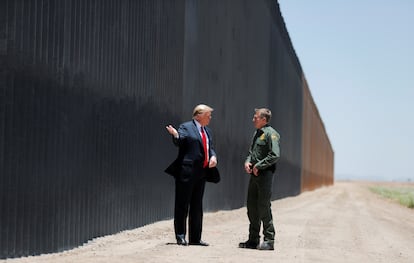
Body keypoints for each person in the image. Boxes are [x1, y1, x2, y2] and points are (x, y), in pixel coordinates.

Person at [165, 104, 218, 246]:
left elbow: (210, 148)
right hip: (187, 172)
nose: (210, 118)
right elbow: (180, 140)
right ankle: (180, 235)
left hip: (202, 173)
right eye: (208, 115)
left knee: (197, 206)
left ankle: (195, 238)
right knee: (182, 204)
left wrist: (213, 157)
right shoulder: (186, 127)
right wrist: (175, 134)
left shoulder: (208, 131)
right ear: (199, 115)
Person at [239, 108, 280, 251]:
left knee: (263, 206)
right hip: (254, 175)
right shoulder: (257, 133)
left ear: (263, 119)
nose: (253, 119)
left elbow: (275, 154)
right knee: (251, 207)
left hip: (265, 175)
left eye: (255, 117)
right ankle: (253, 240)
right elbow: (251, 152)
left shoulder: (271, 134)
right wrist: (247, 161)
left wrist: (259, 165)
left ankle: (269, 240)